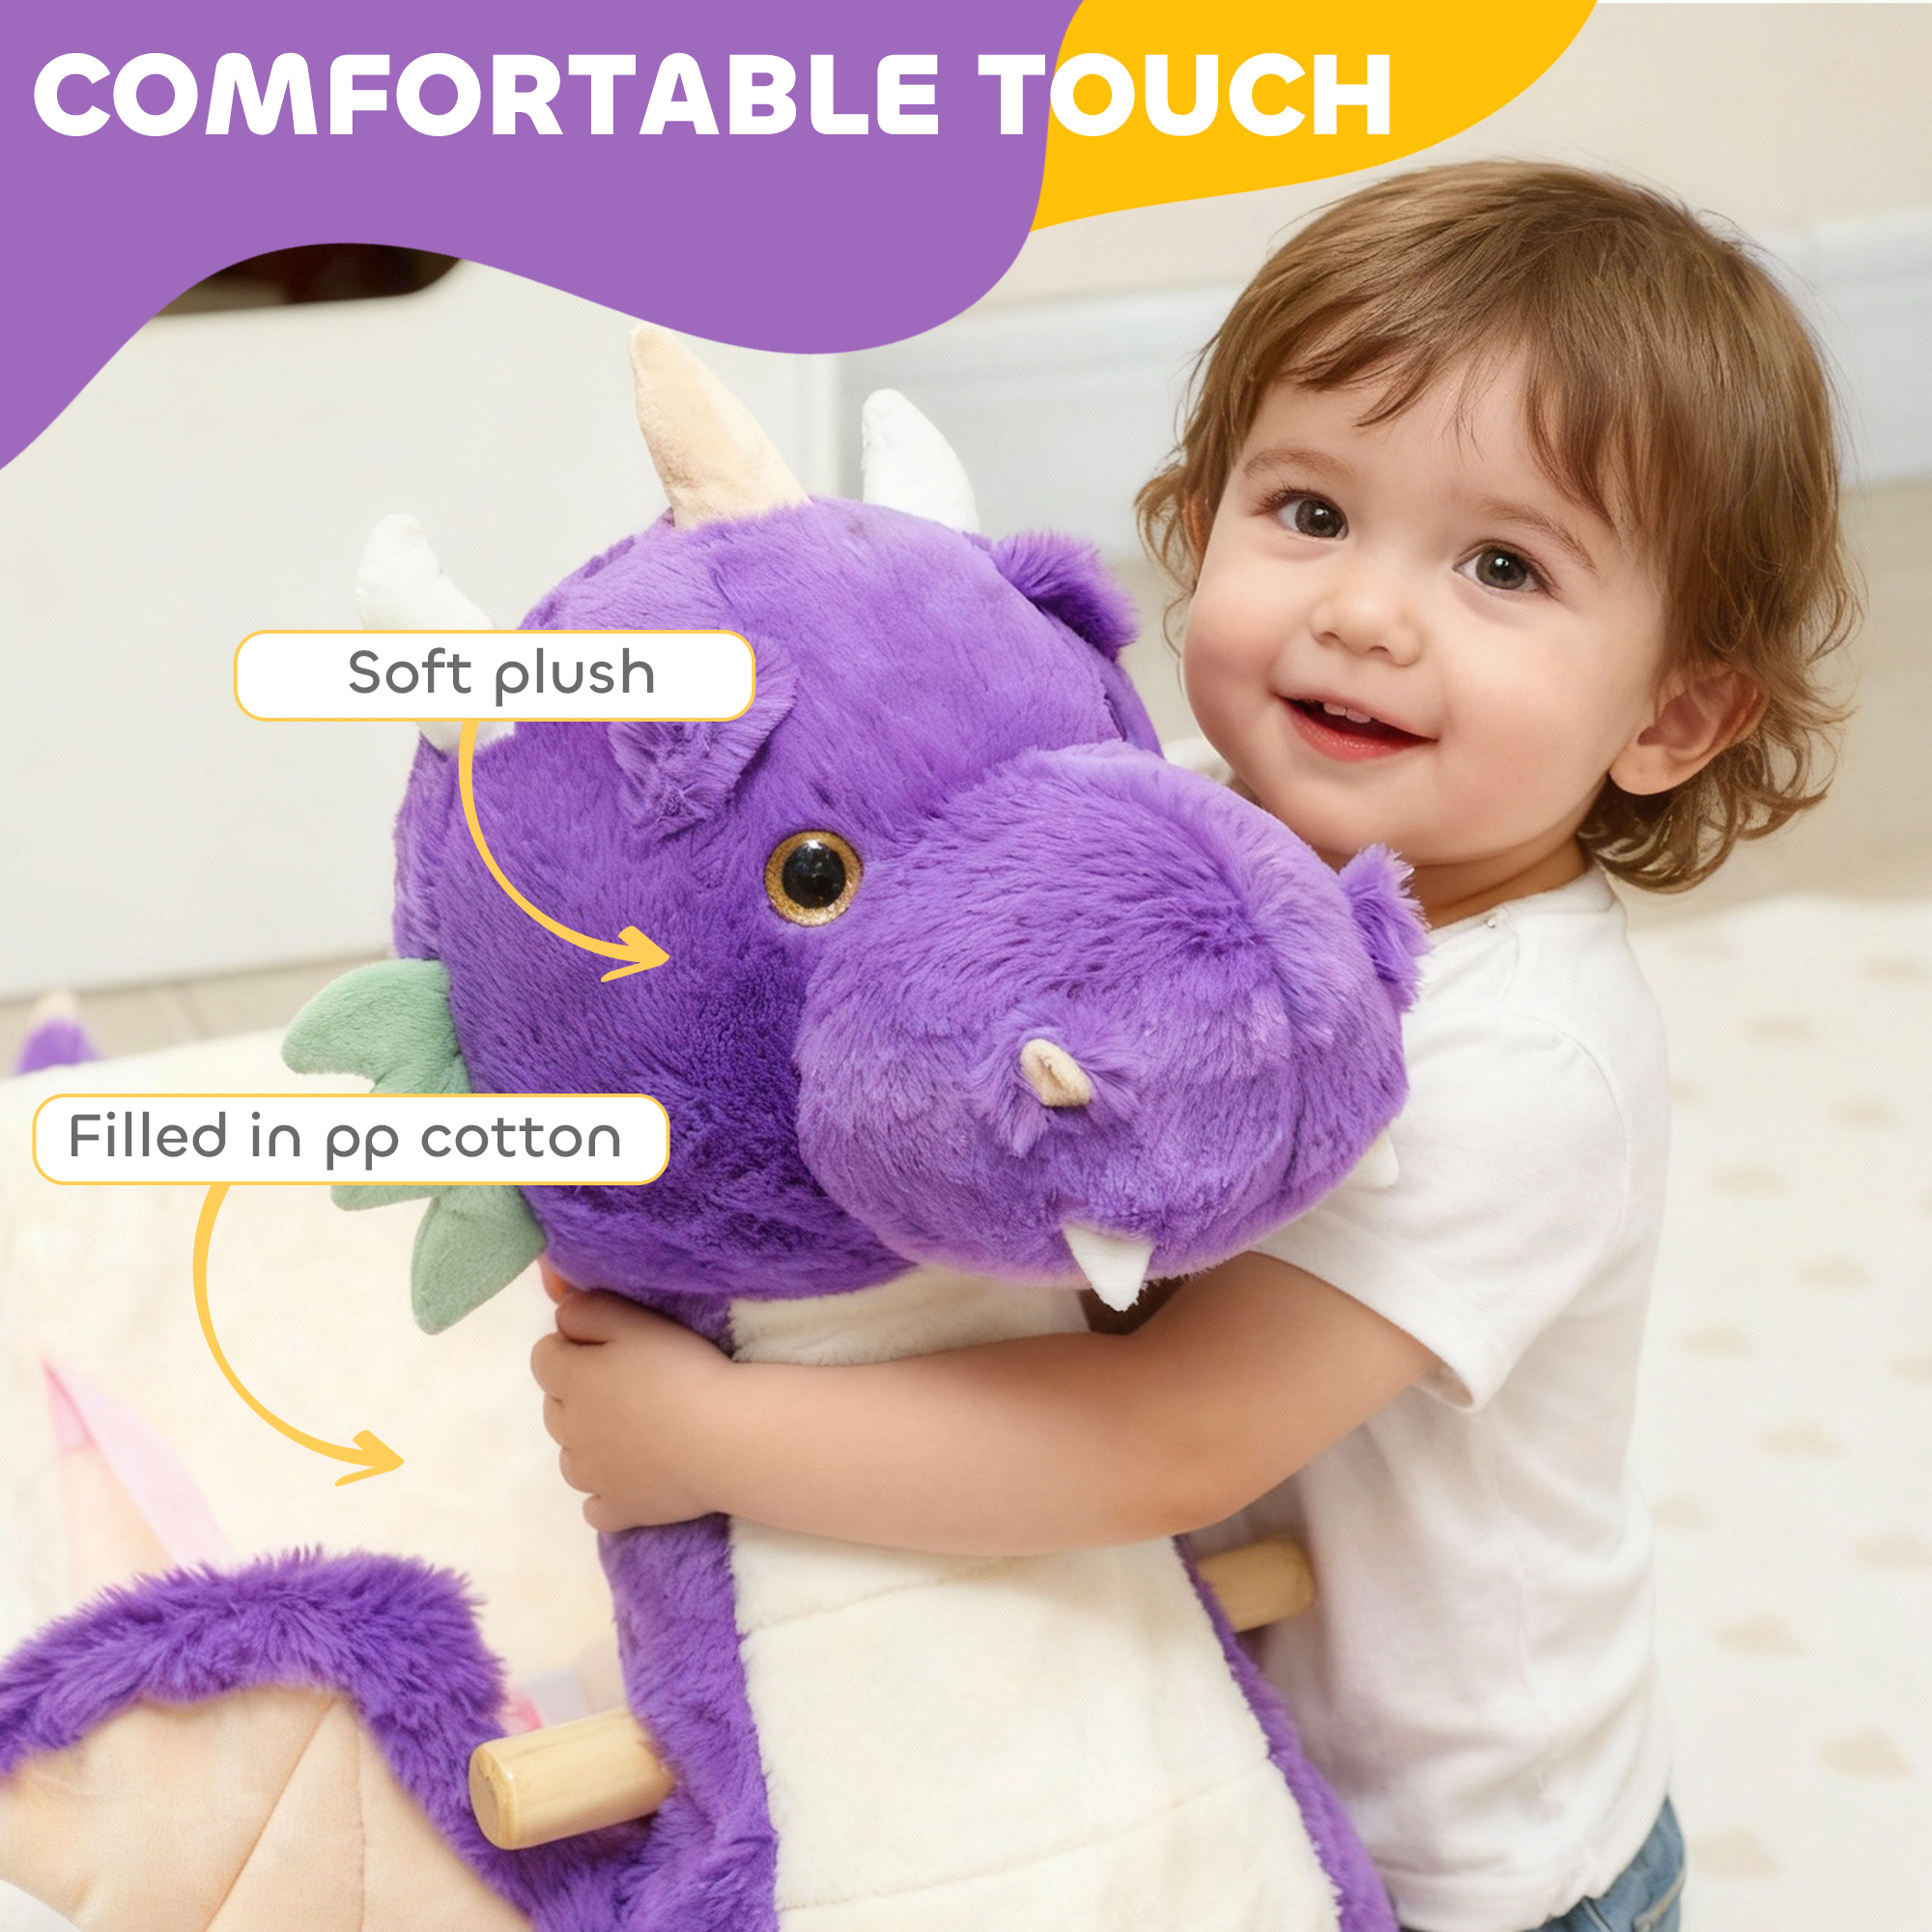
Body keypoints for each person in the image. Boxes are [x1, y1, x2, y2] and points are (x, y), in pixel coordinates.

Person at [530, 162, 1856, 1932]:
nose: (1366, 611)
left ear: (1675, 714)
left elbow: (1169, 1439)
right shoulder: (1163, 852)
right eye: (1310, 511)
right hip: (1174, 1736)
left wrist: (708, 1437)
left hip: (1468, 1867)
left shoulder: (1525, 1061)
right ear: (1193, 516)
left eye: (1503, 566)